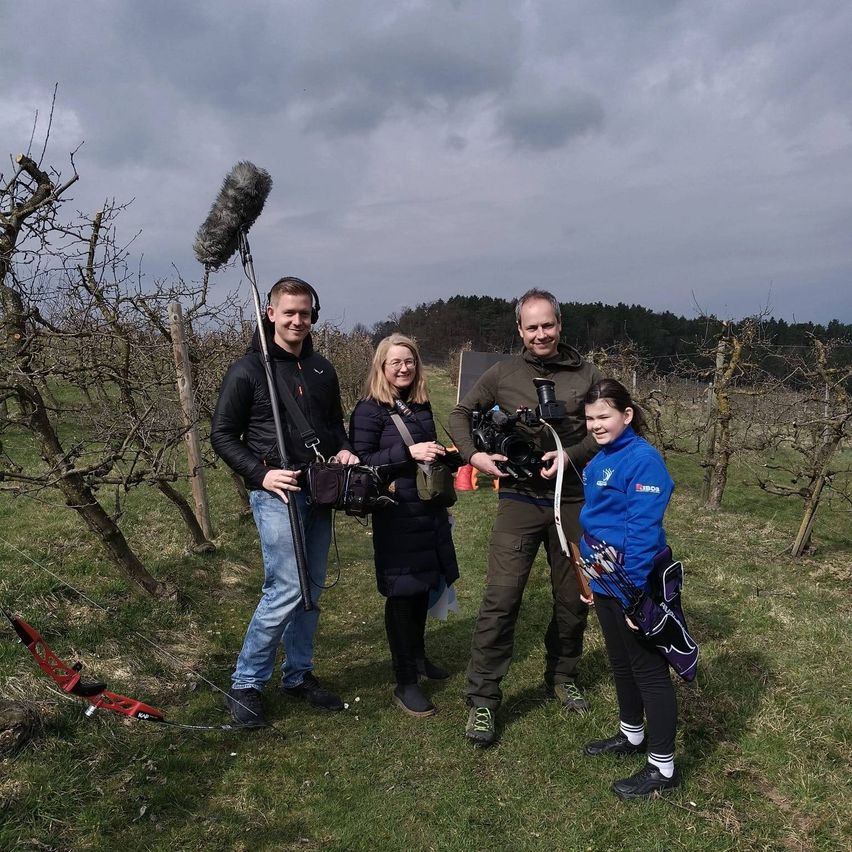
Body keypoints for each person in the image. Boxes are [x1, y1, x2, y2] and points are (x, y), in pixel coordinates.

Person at [448, 289, 602, 746]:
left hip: (571, 499)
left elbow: (606, 427)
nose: (541, 334)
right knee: (502, 598)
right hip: (519, 498)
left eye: (547, 324)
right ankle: (482, 698)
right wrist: (474, 456)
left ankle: (563, 675)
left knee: (573, 598)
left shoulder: (588, 374)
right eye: (531, 326)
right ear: (519, 329)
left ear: (560, 324)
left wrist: (570, 455)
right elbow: (460, 414)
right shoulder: (503, 373)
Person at [211, 277, 359, 727]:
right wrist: (260, 473)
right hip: (277, 492)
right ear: (270, 313)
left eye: (305, 313)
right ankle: (246, 683)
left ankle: (298, 674)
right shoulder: (247, 370)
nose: (297, 320)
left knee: (311, 588)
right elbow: (222, 435)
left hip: (320, 490)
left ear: (314, 316)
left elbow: (333, 426)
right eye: (289, 312)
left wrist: (344, 450)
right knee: (286, 588)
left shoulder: (322, 369)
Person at [544, 378, 680, 798]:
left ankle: (662, 767)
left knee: (648, 670)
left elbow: (641, 532)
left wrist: (635, 597)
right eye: (589, 419)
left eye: (604, 416)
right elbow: (599, 521)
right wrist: (590, 574)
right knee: (621, 661)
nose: (596, 425)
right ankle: (631, 734)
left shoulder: (643, 460)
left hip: (634, 580)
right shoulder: (602, 457)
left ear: (627, 415)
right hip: (604, 575)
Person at [349, 334, 459, 717]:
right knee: (402, 592)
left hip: (427, 508)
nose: (403, 368)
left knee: (424, 585)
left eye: (409, 361)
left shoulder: (420, 404)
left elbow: (425, 456)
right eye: (395, 362)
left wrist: (448, 456)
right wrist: (407, 452)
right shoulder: (369, 410)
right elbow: (361, 462)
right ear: (381, 366)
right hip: (396, 512)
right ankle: (405, 682)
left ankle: (418, 656)